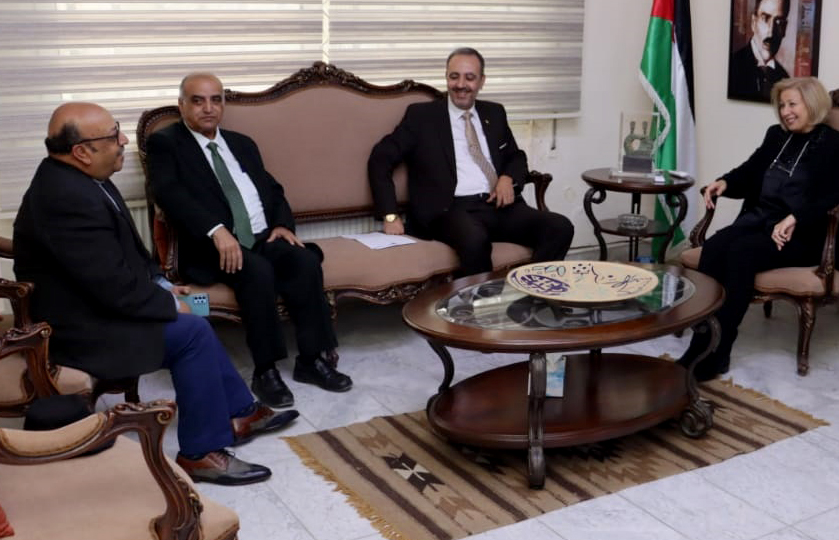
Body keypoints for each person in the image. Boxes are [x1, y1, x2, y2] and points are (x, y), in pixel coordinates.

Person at [13, 102, 299, 485]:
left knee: (199, 308)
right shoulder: (65, 198)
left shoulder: (86, 176)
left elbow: (128, 255)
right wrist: (168, 303)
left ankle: (240, 411)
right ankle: (201, 453)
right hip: (82, 327)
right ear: (81, 151)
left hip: (102, 304)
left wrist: (163, 285)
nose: (123, 140)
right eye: (112, 135)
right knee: (191, 331)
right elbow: (110, 287)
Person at [146, 73, 352, 409]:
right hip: (211, 246)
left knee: (303, 260)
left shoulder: (241, 143)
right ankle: (265, 370)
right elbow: (169, 194)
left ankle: (311, 360)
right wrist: (215, 230)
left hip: (260, 236)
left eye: (215, 100)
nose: (208, 108)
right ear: (181, 105)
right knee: (256, 271)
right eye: (198, 101)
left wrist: (282, 225)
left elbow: (272, 189)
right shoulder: (166, 143)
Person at [677, 77, 839, 380]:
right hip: (761, 221)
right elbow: (751, 170)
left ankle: (719, 351)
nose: (785, 111)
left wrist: (797, 216)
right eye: (782, 105)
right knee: (716, 247)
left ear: (812, 104)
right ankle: (701, 343)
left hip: (805, 234)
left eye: (792, 104)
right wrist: (725, 182)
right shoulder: (776, 136)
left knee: (741, 253)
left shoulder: (837, 144)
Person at [367, 47, 574, 276]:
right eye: (454, 76)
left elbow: (516, 156)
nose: (460, 84)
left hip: (498, 206)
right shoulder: (422, 116)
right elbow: (380, 159)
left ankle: (532, 291)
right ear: (446, 77)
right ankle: (479, 300)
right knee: (475, 240)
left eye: (470, 77)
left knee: (559, 227)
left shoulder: (494, 113)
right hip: (450, 209)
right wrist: (390, 215)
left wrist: (508, 178)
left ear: (482, 81)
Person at [728, 0, 792, 102]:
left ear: (784, 29)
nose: (771, 31)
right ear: (754, 22)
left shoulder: (784, 79)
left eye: (778, 22)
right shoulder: (732, 66)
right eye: (765, 18)